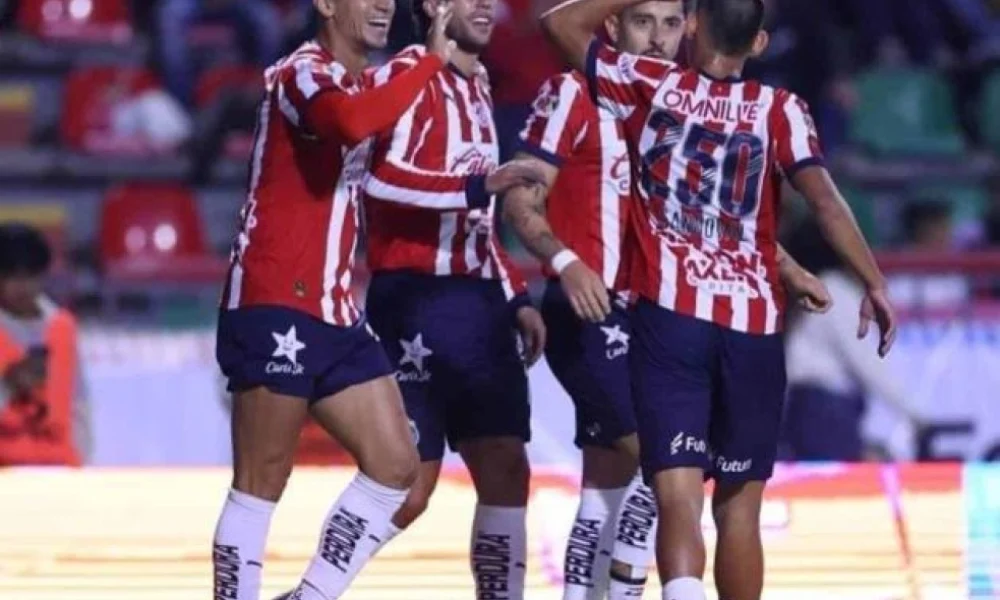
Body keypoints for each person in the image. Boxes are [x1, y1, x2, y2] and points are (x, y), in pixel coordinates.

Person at [540, 1, 897, 599]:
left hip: (671, 321)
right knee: (739, 509)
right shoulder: (782, 109)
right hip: (753, 329)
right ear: (759, 44)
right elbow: (827, 202)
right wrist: (874, 282)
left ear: (693, 26)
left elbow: (558, 24)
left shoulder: (653, 85)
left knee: (678, 498)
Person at [211, 1, 467, 598]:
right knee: (260, 483)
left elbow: (384, 148)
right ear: (326, 4)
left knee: (396, 467)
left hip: (335, 309)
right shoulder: (300, 72)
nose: (384, 4)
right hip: (274, 300)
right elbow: (349, 123)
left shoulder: (363, 83)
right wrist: (429, 63)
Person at [360, 1, 548, 597]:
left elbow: (479, 220)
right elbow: (378, 176)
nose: (486, 5)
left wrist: (515, 294)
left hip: (477, 303)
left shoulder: (479, 82)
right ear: (432, 6)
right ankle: (312, 590)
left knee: (506, 467)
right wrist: (477, 184)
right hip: (414, 298)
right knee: (408, 487)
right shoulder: (405, 73)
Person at [783, 217, 921, 462]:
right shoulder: (833, 290)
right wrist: (915, 415)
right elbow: (867, 363)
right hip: (823, 411)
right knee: (835, 482)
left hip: (811, 409)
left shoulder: (812, 288)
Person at [0, 223, 89, 467]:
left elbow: (78, 403)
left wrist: (79, 465)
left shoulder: (61, 328)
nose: (22, 285)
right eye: (11, 274)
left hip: (55, 466)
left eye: (30, 274)